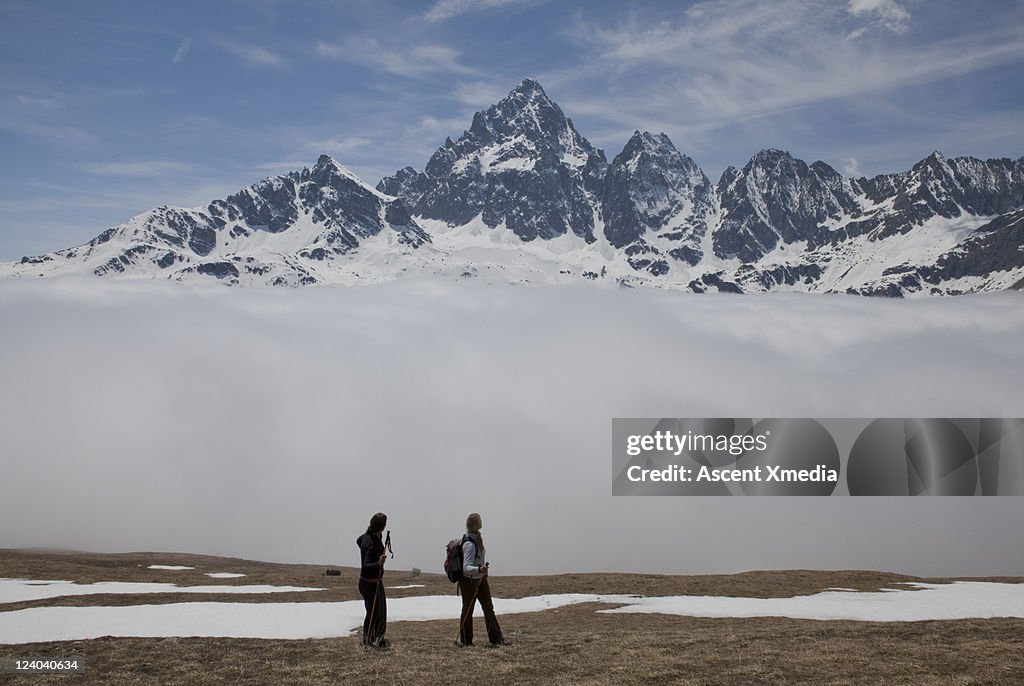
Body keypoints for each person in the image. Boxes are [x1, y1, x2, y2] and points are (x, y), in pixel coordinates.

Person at [457, 512, 505, 647]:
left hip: (479, 579)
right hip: (469, 581)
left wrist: (481, 571)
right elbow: (466, 567)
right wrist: (479, 569)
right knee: (469, 610)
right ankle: (467, 641)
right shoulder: (469, 544)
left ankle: (496, 639)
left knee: (488, 608)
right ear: (477, 524)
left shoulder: (475, 539)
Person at [356, 512, 389, 648]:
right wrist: (378, 563)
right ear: (381, 527)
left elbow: (359, 540)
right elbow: (366, 566)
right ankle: (369, 640)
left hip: (373, 581)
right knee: (373, 612)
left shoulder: (370, 536)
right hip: (369, 583)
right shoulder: (370, 543)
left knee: (379, 611)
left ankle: (377, 638)